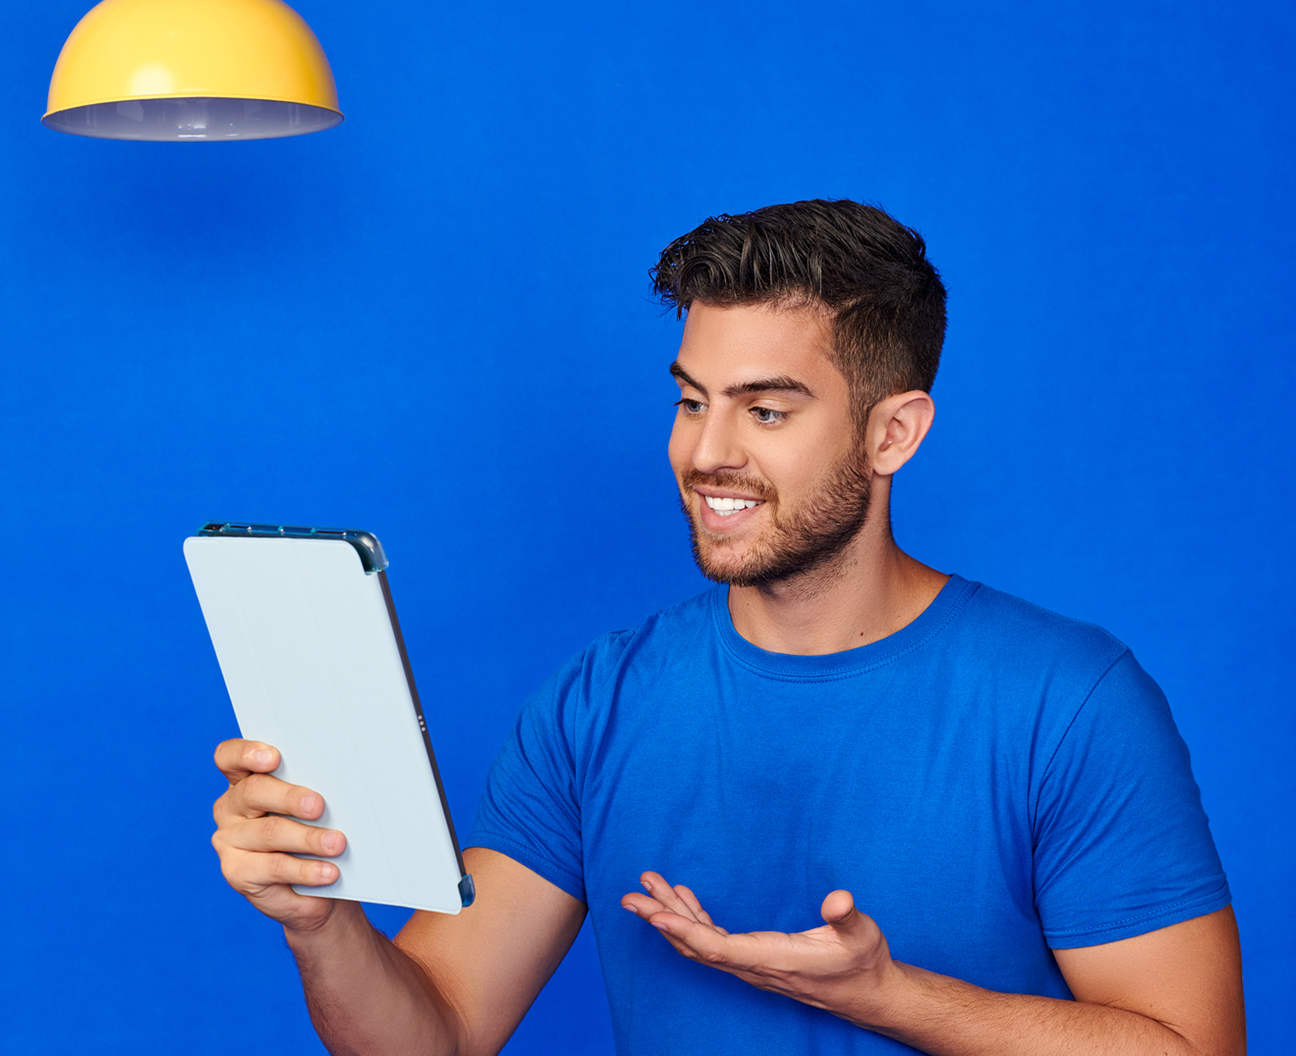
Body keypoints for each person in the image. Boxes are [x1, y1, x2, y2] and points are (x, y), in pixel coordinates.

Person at [211, 199, 1245, 1055]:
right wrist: (321, 920)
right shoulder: (597, 702)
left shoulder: (1069, 703)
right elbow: (438, 1029)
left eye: (766, 410)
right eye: (692, 401)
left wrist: (888, 995)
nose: (707, 453)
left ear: (893, 433)